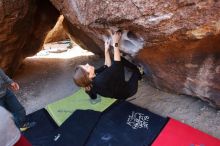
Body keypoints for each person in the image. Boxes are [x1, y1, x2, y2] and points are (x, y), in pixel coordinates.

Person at [73, 30, 143, 101]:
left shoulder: (92, 78)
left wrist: (106, 50)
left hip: (114, 91)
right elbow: (117, 64)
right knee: (136, 71)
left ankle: (92, 95)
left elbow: (106, 66)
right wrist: (116, 42)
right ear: (89, 76)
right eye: (86, 67)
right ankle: (139, 74)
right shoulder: (100, 79)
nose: (87, 64)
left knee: (119, 60)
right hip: (127, 91)